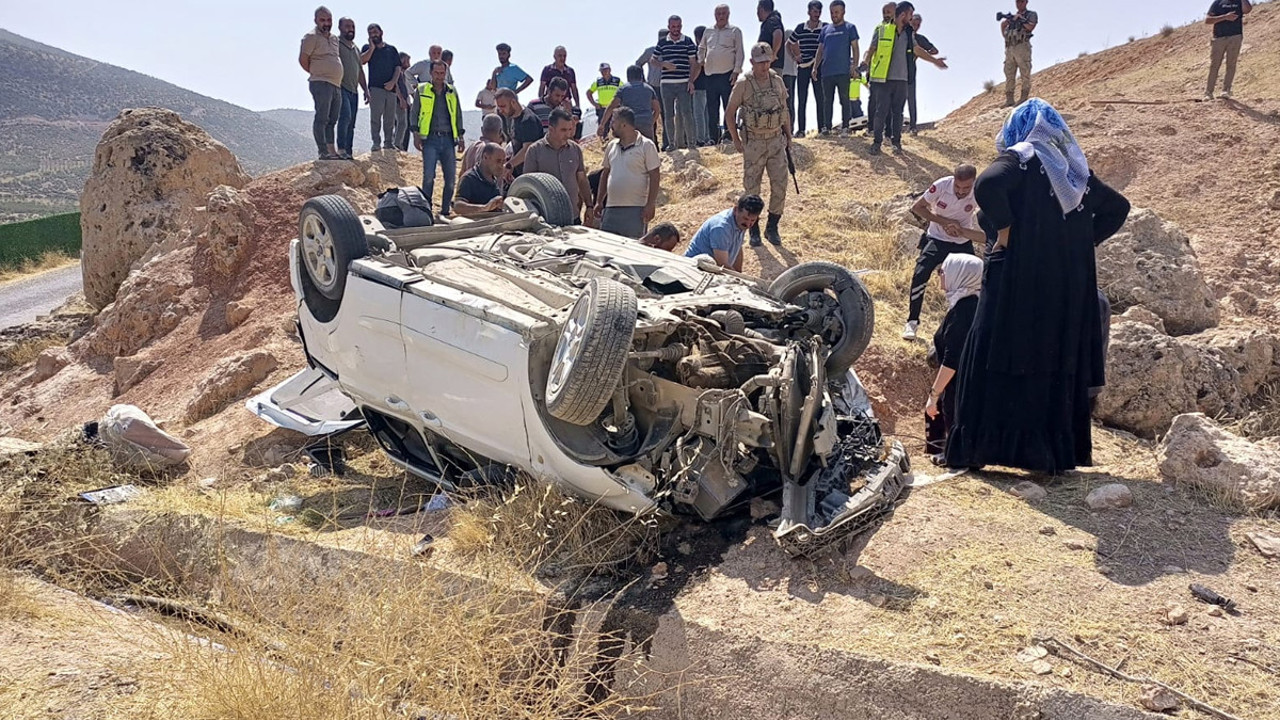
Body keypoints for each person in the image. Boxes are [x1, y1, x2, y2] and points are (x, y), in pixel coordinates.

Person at [944, 99, 1131, 475]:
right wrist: (1076, 246)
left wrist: (1008, 231)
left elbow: (987, 184)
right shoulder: (1075, 172)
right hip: (1063, 287)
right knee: (1050, 357)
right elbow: (1118, 208)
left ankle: (978, 448)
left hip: (1015, 277)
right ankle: (1047, 456)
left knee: (991, 352)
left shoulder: (1022, 156)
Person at [903, 164, 985, 340]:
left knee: (974, 282)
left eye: (966, 188)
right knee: (920, 273)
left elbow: (988, 231)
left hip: (962, 240)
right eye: (958, 186)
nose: (961, 191)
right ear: (953, 180)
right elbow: (917, 207)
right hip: (937, 237)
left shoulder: (980, 190)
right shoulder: (941, 185)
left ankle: (968, 327)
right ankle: (912, 321)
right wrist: (944, 222)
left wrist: (961, 230)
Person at [727, 43, 792, 247]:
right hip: (754, 142)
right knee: (752, 188)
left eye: (767, 61)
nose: (764, 66)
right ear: (752, 62)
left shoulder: (777, 81)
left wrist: (788, 136)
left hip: (775, 140)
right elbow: (729, 113)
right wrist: (736, 140)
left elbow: (784, 110)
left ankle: (772, 227)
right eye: (760, 62)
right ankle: (753, 229)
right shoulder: (743, 84)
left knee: (780, 184)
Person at [923, 254, 983, 465]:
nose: (940, 276)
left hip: (960, 385)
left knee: (949, 411)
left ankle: (956, 456)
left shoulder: (962, 311)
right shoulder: (975, 305)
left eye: (943, 271)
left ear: (960, 274)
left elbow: (952, 359)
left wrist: (934, 394)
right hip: (971, 382)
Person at [594, 107, 661, 239]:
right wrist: (599, 201)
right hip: (611, 209)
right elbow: (605, 174)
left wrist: (650, 204)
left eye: (613, 122)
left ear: (623, 124)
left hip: (636, 210)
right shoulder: (611, 146)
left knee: (632, 250)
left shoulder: (646, 145)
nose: (611, 126)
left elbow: (655, 175)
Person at [409, 60, 465, 216]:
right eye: (437, 73)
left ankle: (445, 210)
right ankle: (426, 211)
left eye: (442, 73)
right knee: (428, 177)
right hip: (430, 139)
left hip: (448, 139)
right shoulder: (422, 90)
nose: (440, 76)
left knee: (450, 178)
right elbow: (414, 114)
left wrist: (461, 137)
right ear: (431, 73)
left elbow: (458, 114)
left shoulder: (452, 92)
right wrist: (416, 135)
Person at [524, 108, 592, 224]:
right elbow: (527, 186)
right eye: (563, 130)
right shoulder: (535, 151)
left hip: (573, 217)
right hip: (546, 219)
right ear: (551, 129)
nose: (568, 134)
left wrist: (589, 206)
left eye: (570, 129)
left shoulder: (575, 150)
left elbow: (582, 180)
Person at [298, 6, 344, 160]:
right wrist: (317, 72)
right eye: (322, 20)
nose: (326, 23)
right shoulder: (310, 37)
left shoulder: (334, 38)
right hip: (321, 82)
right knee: (322, 118)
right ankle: (322, 151)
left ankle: (332, 151)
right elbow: (303, 60)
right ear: (316, 20)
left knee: (332, 119)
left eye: (329, 20)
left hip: (336, 84)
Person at [810, 0, 858, 135]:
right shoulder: (825, 30)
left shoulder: (850, 28)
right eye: (832, 12)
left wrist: (854, 66)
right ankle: (826, 127)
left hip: (843, 71)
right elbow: (820, 50)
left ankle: (845, 127)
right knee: (827, 101)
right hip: (826, 72)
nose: (834, 15)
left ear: (843, 12)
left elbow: (855, 47)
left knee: (844, 99)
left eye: (836, 12)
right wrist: (815, 67)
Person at [699, 6, 745, 144]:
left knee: (728, 106)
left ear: (728, 14)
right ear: (714, 15)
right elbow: (702, 47)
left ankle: (728, 135)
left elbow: (740, 52)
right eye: (718, 13)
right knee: (712, 108)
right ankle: (713, 137)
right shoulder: (708, 31)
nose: (721, 16)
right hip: (710, 75)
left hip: (727, 75)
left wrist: (736, 70)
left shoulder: (735, 31)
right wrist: (701, 60)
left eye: (723, 13)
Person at [684, 195, 766, 271]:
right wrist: (738, 281)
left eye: (752, 220)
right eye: (746, 219)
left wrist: (739, 274)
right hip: (693, 270)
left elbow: (737, 250)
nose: (748, 224)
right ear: (736, 210)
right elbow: (722, 265)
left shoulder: (740, 222)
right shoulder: (721, 228)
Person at [656, 16, 701, 151]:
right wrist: (663, 64)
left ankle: (692, 144)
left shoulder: (687, 41)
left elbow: (694, 63)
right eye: (673, 27)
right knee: (668, 115)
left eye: (678, 26)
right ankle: (671, 144)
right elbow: (653, 60)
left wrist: (691, 81)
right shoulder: (662, 43)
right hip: (666, 83)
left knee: (687, 113)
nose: (676, 29)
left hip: (683, 82)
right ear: (669, 27)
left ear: (681, 26)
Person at [360, 24, 402, 152]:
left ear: (381, 32)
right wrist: (372, 48)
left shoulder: (391, 49)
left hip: (391, 89)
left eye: (375, 32)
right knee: (375, 118)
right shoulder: (367, 48)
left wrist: (393, 82)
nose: (373, 34)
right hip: (375, 88)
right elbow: (362, 61)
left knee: (390, 118)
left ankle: (388, 143)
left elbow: (398, 68)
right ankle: (376, 143)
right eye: (370, 32)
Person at [599, 66, 662, 145]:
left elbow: (612, 106)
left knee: (628, 150)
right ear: (641, 76)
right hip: (645, 123)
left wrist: (602, 124)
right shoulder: (649, 89)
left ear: (628, 76)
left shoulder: (623, 89)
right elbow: (657, 109)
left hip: (629, 124)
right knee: (647, 149)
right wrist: (650, 122)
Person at [792, 1, 826, 137]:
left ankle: (822, 128)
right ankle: (801, 130)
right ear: (809, 12)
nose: (816, 14)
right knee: (802, 99)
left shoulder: (825, 27)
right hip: (803, 67)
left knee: (820, 97)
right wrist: (796, 55)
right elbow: (790, 42)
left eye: (818, 11)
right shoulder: (801, 27)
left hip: (819, 67)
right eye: (814, 11)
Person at [1205, 0, 1251, 99]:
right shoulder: (1218, 3)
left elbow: (1247, 10)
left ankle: (1226, 91)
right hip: (1219, 38)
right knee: (1214, 65)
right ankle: (1209, 92)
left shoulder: (1240, 2)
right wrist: (1225, 17)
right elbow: (1208, 20)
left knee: (1231, 64)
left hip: (1235, 36)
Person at [335, 17, 367, 160]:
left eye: (352, 26)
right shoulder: (335, 44)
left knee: (352, 122)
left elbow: (360, 71)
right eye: (347, 26)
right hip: (341, 87)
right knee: (345, 117)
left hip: (354, 91)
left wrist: (366, 90)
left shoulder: (356, 49)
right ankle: (341, 149)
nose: (351, 29)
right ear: (340, 27)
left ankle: (348, 151)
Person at [494, 88, 544, 178]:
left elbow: (527, 149)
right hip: (519, 173)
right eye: (499, 107)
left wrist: (509, 165)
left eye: (503, 106)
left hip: (532, 175)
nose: (501, 111)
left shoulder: (528, 120)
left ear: (513, 102)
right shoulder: (513, 118)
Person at [863, 2, 895, 135]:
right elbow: (872, 48)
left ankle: (889, 131)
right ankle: (871, 128)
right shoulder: (880, 28)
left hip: (893, 73)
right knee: (875, 103)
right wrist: (866, 63)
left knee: (891, 105)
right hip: (878, 72)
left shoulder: (901, 29)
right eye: (884, 12)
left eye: (889, 12)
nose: (886, 15)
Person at [1001, 0, 1038, 107]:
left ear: (1026, 2)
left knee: (1024, 71)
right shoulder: (1012, 18)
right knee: (1009, 72)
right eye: (1017, 2)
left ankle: (1023, 97)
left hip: (1022, 46)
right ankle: (1009, 99)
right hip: (1010, 47)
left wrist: (1020, 20)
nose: (1019, 4)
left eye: (1021, 2)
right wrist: (1005, 24)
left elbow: (1031, 27)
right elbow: (1004, 31)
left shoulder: (1030, 15)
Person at [454, 143, 508, 217]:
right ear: (485, 157)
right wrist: (484, 208)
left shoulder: (494, 179)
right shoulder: (469, 178)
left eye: (503, 162)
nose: (501, 166)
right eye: (498, 161)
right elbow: (458, 206)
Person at [906, 14, 939, 135]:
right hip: (897, 70)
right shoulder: (902, 34)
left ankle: (913, 126)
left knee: (911, 99)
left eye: (918, 25)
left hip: (910, 70)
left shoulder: (920, 38)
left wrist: (920, 52)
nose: (916, 26)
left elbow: (934, 50)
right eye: (914, 23)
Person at [637, 30, 670, 148]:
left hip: (667, 86)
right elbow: (638, 63)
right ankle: (653, 144)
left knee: (667, 116)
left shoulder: (671, 51)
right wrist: (643, 81)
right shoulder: (650, 51)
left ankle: (667, 143)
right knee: (651, 117)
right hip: (652, 88)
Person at [691, 27, 713, 147]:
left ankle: (700, 139)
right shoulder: (711, 49)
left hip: (699, 85)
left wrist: (691, 81)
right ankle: (707, 137)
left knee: (698, 113)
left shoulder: (699, 50)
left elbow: (698, 66)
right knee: (706, 114)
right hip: (709, 85)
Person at [396, 51, 413, 151]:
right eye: (407, 61)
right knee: (401, 123)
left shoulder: (403, 74)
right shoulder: (397, 72)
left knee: (405, 125)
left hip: (405, 102)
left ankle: (402, 146)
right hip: (398, 102)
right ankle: (397, 144)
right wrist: (401, 99)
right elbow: (396, 86)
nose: (409, 64)